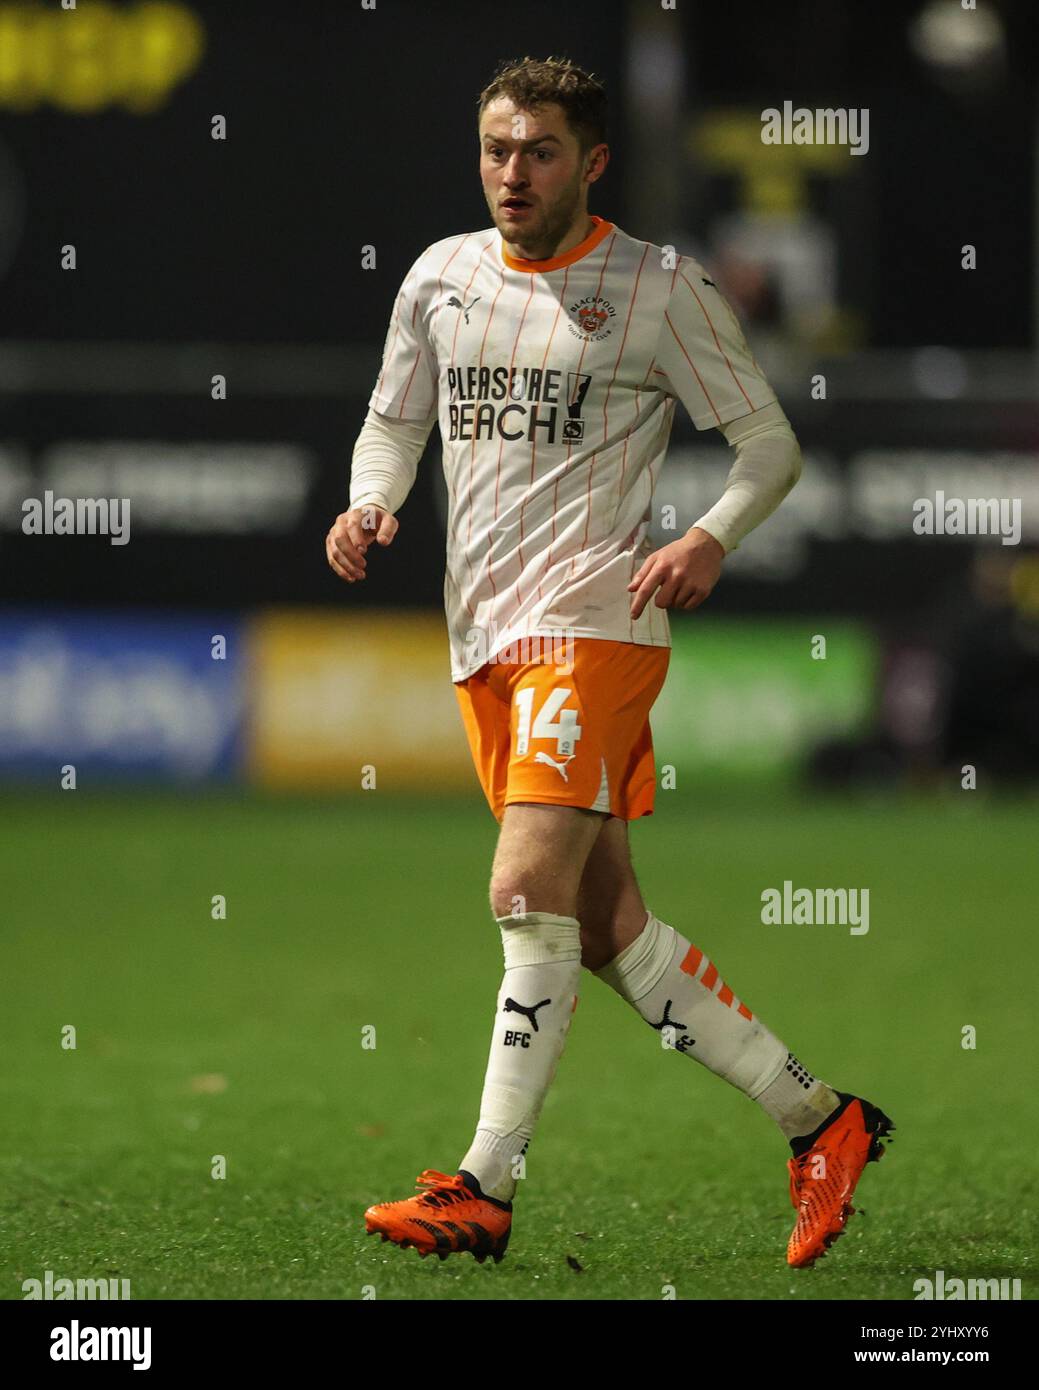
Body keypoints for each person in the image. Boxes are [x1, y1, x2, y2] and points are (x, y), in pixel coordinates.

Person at [326, 55, 893, 1270]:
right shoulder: (440, 276)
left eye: (536, 151)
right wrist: (370, 503)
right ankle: (822, 1119)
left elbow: (768, 447)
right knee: (602, 927)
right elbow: (393, 419)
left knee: (520, 887)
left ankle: (480, 1185)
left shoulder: (657, 290)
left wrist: (706, 537)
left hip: (594, 625)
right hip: (485, 634)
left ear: (592, 161)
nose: (510, 172)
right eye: (494, 148)